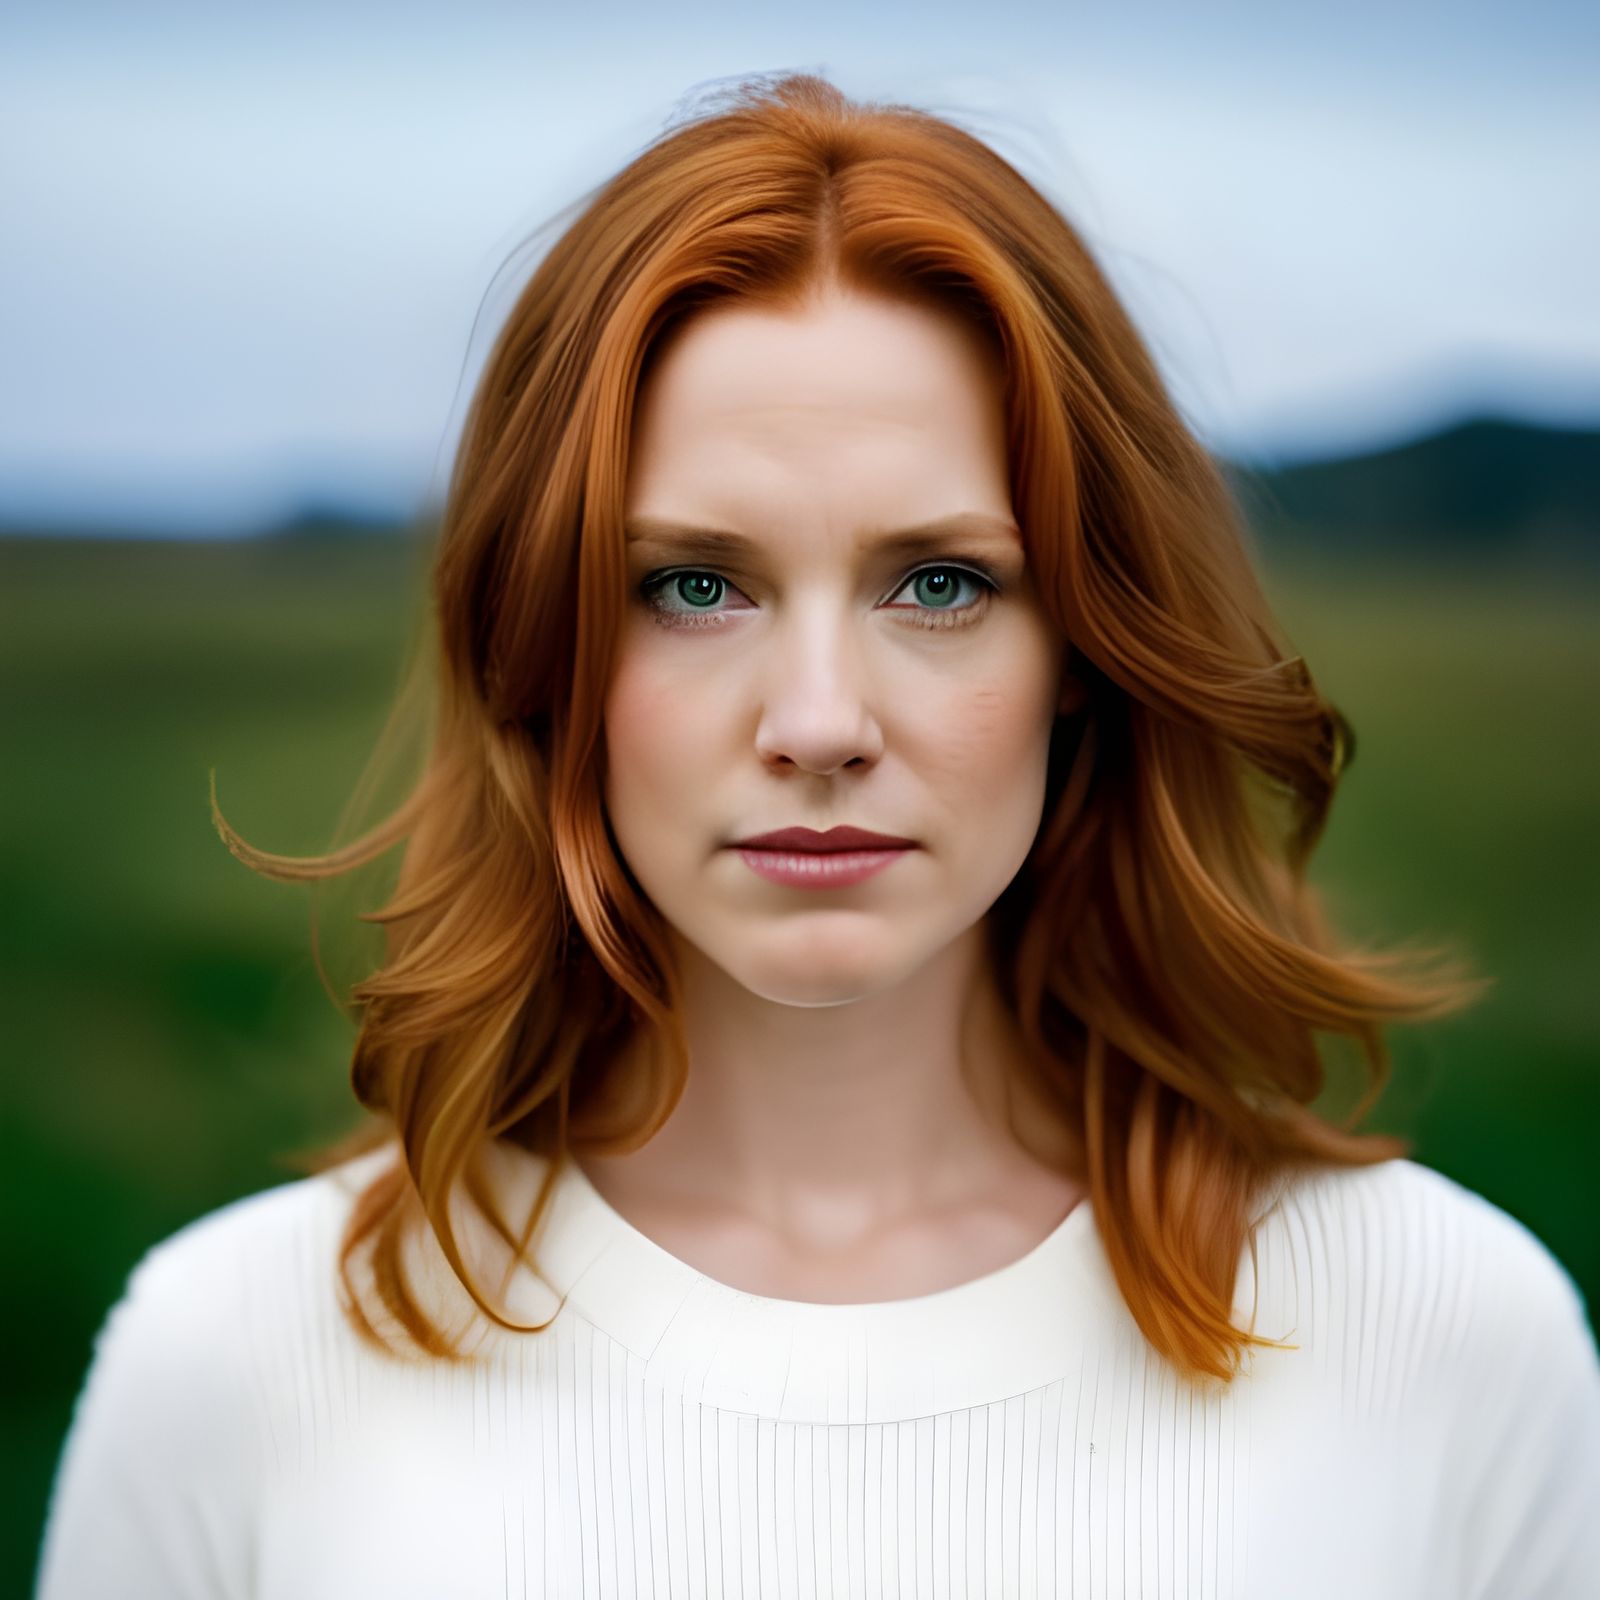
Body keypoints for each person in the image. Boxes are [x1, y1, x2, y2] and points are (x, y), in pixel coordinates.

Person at [34, 71, 1600, 1599]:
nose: (821, 720)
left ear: (1090, 650)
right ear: (541, 645)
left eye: (941, 582)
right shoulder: (244, 1353)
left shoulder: (1441, 1333)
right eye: (693, 585)